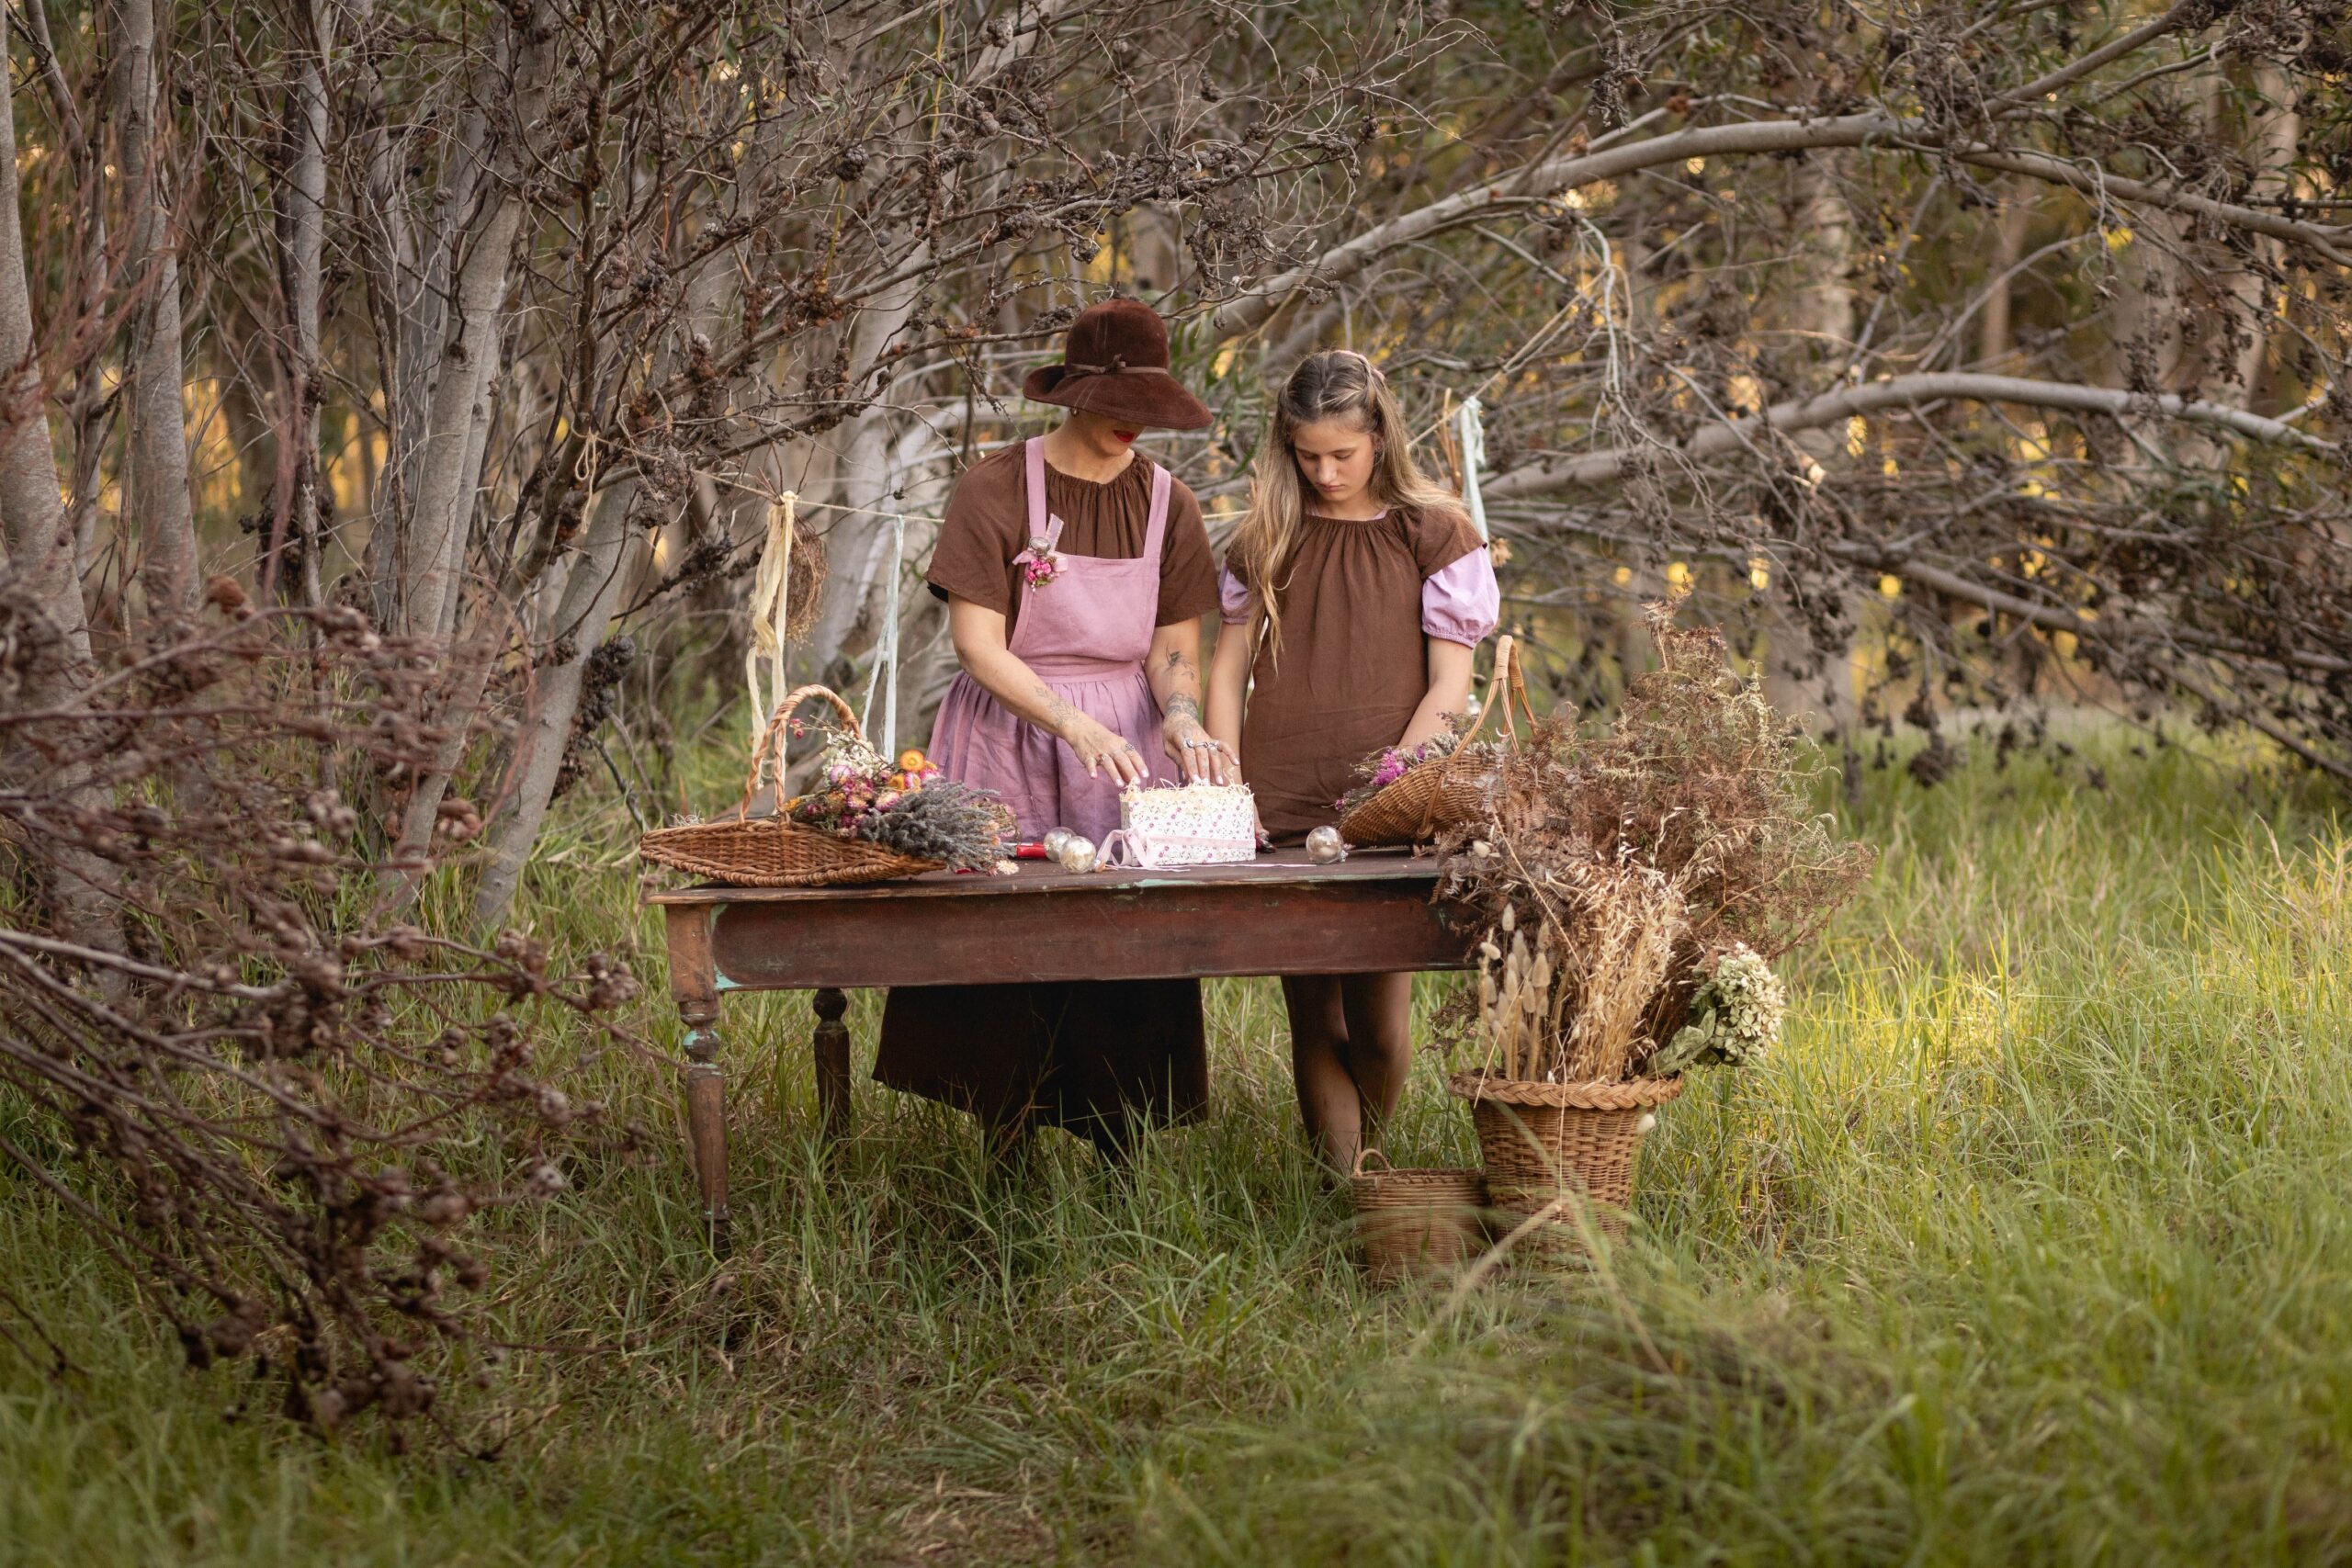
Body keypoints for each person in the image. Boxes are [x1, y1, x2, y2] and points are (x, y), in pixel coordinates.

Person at [873, 299, 1233, 1158]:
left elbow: (1174, 650)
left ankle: (1120, 1151)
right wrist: (1069, 721)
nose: (1133, 426)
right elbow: (976, 645)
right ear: (1073, 392)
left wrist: (1180, 721)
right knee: (1006, 942)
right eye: (1120, 405)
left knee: (1123, 945)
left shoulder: (1168, 504)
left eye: (1149, 408)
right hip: (1013, 732)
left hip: (1126, 749)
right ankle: (1007, 1153)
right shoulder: (997, 487)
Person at [1205, 349, 1499, 1173]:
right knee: (1314, 1013)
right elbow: (1225, 673)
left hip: (1387, 809)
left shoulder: (1433, 533)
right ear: (1286, 447)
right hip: (1283, 798)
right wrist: (1230, 784)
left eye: (1344, 454)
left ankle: (1367, 1160)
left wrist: (1394, 786)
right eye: (1308, 457)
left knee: (1378, 1022)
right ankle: (1345, 1192)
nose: (1327, 472)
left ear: (1380, 436)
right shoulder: (1268, 535)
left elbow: (1449, 685)